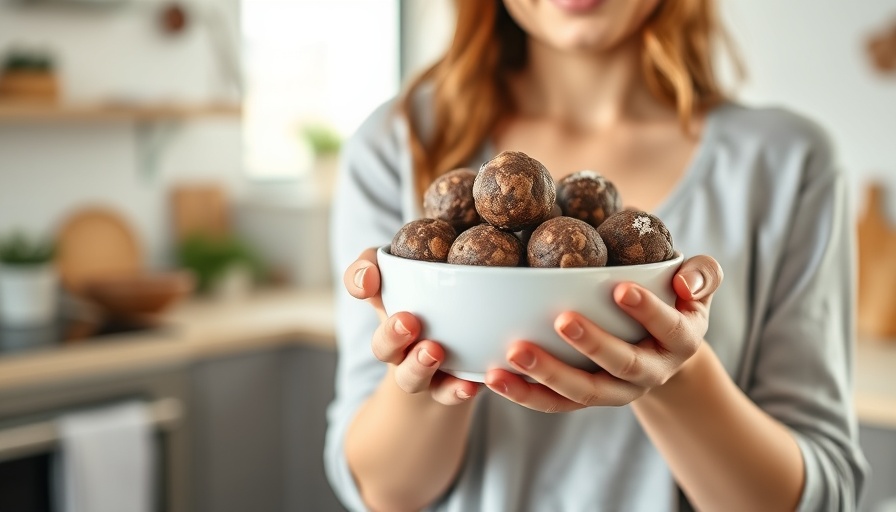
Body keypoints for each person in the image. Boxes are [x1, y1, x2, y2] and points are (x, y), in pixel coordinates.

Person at [325, 0, 869, 510]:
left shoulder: (788, 163)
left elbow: (821, 492)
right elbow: (382, 491)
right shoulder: (400, 143)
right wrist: (429, 359)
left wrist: (672, 369)